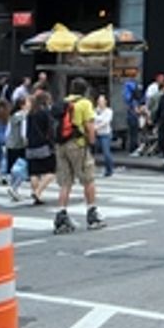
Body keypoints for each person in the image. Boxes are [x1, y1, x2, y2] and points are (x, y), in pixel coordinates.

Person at [54, 78, 106, 233]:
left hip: (61, 145)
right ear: (85, 90)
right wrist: (92, 142)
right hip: (78, 144)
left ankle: (61, 215)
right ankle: (92, 214)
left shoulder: (63, 102)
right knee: (88, 179)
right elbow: (89, 126)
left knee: (65, 182)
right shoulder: (85, 104)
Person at [25, 90, 57, 205]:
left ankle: (36, 195)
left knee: (34, 172)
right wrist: (52, 143)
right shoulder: (45, 113)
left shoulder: (30, 114)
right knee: (51, 171)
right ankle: (38, 191)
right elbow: (50, 130)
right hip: (43, 145)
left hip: (30, 146)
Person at [5, 93, 30, 201]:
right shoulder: (23, 116)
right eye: (28, 103)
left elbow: (8, 131)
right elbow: (23, 132)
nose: (29, 104)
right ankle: (14, 187)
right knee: (24, 167)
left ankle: (12, 187)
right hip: (20, 145)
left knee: (12, 168)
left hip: (10, 144)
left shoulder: (12, 116)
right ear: (22, 105)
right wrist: (26, 142)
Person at [93, 94, 115, 177]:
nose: (100, 103)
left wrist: (97, 127)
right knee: (92, 152)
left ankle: (109, 169)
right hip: (96, 134)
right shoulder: (94, 110)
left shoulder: (109, 111)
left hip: (105, 134)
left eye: (102, 101)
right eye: (99, 101)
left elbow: (106, 122)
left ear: (106, 102)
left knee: (106, 152)